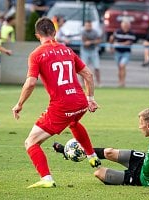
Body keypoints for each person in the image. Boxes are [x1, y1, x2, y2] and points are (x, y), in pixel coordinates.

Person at [11, 17, 101, 189]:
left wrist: (19, 104)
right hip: (80, 102)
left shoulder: (36, 54)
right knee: (73, 122)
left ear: (37, 35)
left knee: (31, 142)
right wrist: (90, 98)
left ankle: (46, 179)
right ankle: (92, 156)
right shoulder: (67, 50)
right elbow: (88, 75)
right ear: (55, 32)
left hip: (62, 106)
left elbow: (30, 83)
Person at [109, 20, 136, 87]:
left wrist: (118, 43)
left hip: (126, 52)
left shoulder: (131, 33)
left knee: (122, 65)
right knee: (120, 68)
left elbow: (128, 42)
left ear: (129, 26)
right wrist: (111, 47)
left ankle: (123, 82)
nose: (125, 27)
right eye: (124, 26)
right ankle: (120, 81)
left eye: (126, 26)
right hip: (117, 52)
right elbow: (111, 38)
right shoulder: (117, 32)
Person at [80, 20, 102, 87]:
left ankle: (99, 83)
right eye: (87, 25)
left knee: (97, 67)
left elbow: (99, 40)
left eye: (89, 25)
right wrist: (92, 42)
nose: (88, 27)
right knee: (82, 68)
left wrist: (91, 42)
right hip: (85, 51)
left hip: (93, 51)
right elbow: (85, 42)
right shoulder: (83, 32)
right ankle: (83, 83)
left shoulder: (95, 32)